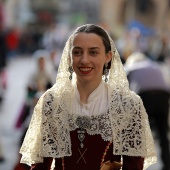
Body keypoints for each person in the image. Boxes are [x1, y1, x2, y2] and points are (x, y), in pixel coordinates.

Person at [19, 24, 156, 170]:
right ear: (69, 56)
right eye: (77, 52)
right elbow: (41, 166)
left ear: (108, 56)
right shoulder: (52, 101)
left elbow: (133, 167)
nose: (84, 60)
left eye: (93, 52)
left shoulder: (128, 104)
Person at [124, 52, 170, 170]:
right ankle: (167, 164)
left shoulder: (131, 67)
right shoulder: (156, 66)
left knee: (139, 132)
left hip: (144, 96)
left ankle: (137, 164)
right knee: (162, 132)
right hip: (163, 96)